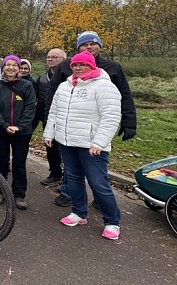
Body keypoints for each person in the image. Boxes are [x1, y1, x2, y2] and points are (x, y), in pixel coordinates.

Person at [51, 31, 137, 207]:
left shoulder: (113, 68)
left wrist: (129, 122)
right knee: (71, 166)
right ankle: (68, 193)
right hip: (71, 127)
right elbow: (53, 96)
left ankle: (100, 200)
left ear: (100, 45)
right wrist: (50, 122)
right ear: (78, 48)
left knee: (96, 168)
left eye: (92, 43)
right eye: (84, 44)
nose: (89, 47)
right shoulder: (66, 66)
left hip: (97, 128)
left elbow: (125, 96)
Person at [44, 51, 123, 240]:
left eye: (83, 65)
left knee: (98, 183)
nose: (78, 68)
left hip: (91, 145)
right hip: (66, 141)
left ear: (92, 66)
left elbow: (111, 117)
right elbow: (54, 111)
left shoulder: (103, 86)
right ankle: (79, 213)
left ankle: (112, 221)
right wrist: (49, 132)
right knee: (73, 179)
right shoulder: (64, 86)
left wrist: (99, 142)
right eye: (75, 65)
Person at [0, 55, 36, 210]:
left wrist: (19, 127)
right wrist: (5, 125)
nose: (11, 68)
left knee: (19, 162)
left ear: (19, 68)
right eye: (8, 65)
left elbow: (30, 107)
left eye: (15, 65)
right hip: (0, 130)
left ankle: (19, 194)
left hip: (22, 132)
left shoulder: (27, 85)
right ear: (3, 68)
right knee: (1, 161)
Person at [37, 48, 67, 187]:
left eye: (54, 57)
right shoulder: (43, 77)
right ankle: (55, 173)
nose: (50, 59)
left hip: (65, 118)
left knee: (66, 149)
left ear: (64, 59)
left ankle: (67, 179)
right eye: (48, 57)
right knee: (51, 147)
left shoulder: (69, 77)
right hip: (47, 117)